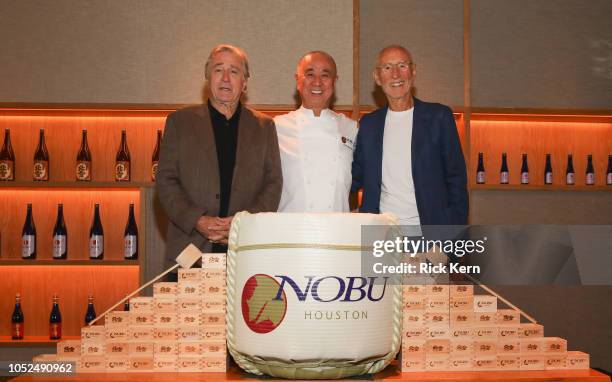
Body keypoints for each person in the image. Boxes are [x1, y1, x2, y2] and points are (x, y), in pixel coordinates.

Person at [156, 44, 282, 268]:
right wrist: (198, 219)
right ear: (207, 77)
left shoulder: (264, 127)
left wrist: (242, 222)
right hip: (190, 250)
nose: (225, 78)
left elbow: (272, 184)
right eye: (218, 70)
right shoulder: (180, 122)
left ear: (244, 83)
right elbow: (166, 182)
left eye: (234, 71)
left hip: (245, 251)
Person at [351, 45, 468, 225]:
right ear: (377, 77)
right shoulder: (369, 124)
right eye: (387, 68)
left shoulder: (439, 117)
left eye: (402, 66)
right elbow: (355, 175)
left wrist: (447, 243)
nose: (395, 75)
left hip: (429, 235)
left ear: (413, 72)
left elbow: (456, 181)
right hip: (381, 232)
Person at [274, 51, 357, 212]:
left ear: (335, 81)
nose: (317, 82)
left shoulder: (352, 128)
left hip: (337, 231)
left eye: (325, 75)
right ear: (298, 80)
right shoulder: (276, 127)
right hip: (289, 232)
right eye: (309, 74)